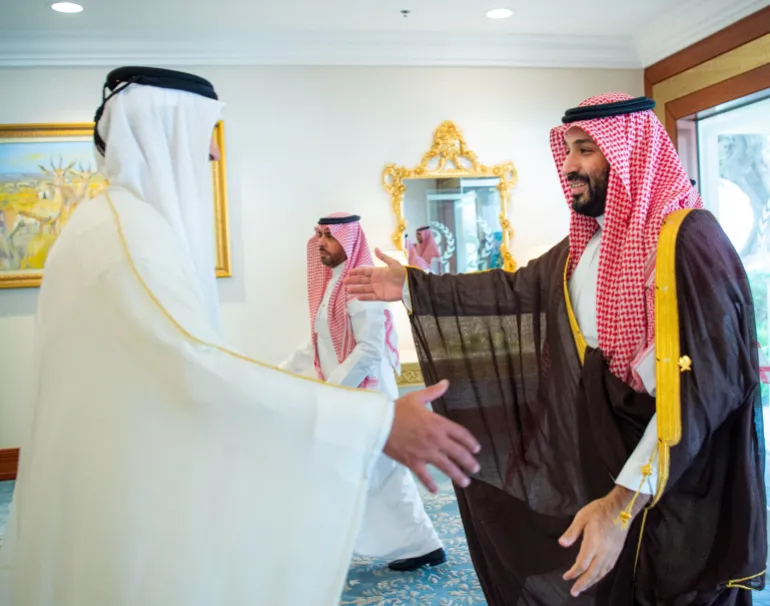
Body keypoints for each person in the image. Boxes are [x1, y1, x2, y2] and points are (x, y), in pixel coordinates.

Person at [0, 66, 481, 606]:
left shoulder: (116, 223)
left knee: (380, 487)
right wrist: (373, 419)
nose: (214, 154)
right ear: (163, 132)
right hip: (129, 484)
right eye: (204, 133)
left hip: (133, 467)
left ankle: (413, 543)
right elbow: (191, 364)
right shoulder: (126, 234)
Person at [346, 93, 766, 605]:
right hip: (606, 464)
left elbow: (701, 393)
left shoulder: (690, 241)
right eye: (567, 151)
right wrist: (414, 286)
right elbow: (512, 292)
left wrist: (621, 505)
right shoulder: (585, 246)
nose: (568, 166)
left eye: (585, 150)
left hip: (675, 479)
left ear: (627, 153)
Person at [280, 212, 446, 571]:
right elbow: (317, 342)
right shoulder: (332, 283)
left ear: (350, 240)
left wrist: (332, 390)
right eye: (319, 234)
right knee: (363, 470)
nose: (322, 242)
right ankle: (409, 543)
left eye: (330, 235)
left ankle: (422, 543)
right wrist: (283, 371)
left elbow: (369, 350)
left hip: (367, 394)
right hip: (345, 394)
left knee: (383, 469)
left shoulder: (361, 286)